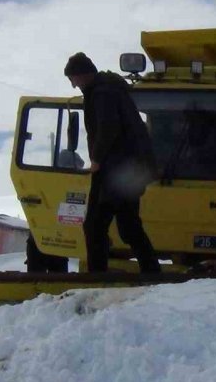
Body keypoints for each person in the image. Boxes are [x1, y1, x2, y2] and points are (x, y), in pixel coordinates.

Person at [63, 52, 161, 273]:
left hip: (115, 170)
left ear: (82, 75)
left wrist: (96, 159)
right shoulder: (111, 89)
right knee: (128, 226)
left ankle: (97, 278)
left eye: (72, 79)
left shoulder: (101, 93)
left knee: (95, 227)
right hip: (129, 170)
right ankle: (152, 273)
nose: (73, 85)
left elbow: (108, 127)